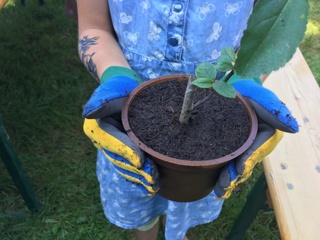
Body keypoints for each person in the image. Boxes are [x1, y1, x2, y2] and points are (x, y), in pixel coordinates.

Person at [76, 1, 299, 239]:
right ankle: (145, 231)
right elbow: (94, 28)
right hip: (126, 115)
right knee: (140, 199)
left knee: (186, 207)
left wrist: (247, 77)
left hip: (218, 117)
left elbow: (272, 33)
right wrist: (114, 75)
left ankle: (177, 233)